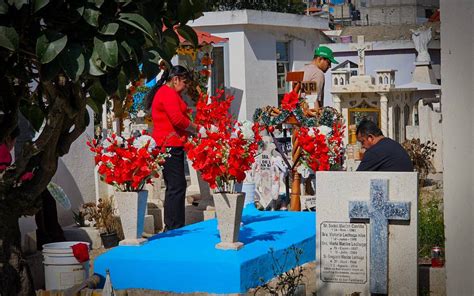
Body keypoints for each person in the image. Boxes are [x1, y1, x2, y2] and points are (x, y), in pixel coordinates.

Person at [145, 65, 197, 231]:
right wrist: (196, 128)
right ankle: (174, 226)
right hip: (168, 145)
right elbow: (177, 120)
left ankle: (174, 225)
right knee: (176, 186)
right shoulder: (168, 93)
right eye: (185, 82)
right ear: (175, 79)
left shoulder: (168, 93)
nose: (186, 86)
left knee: (176, 185)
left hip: (170, 144)